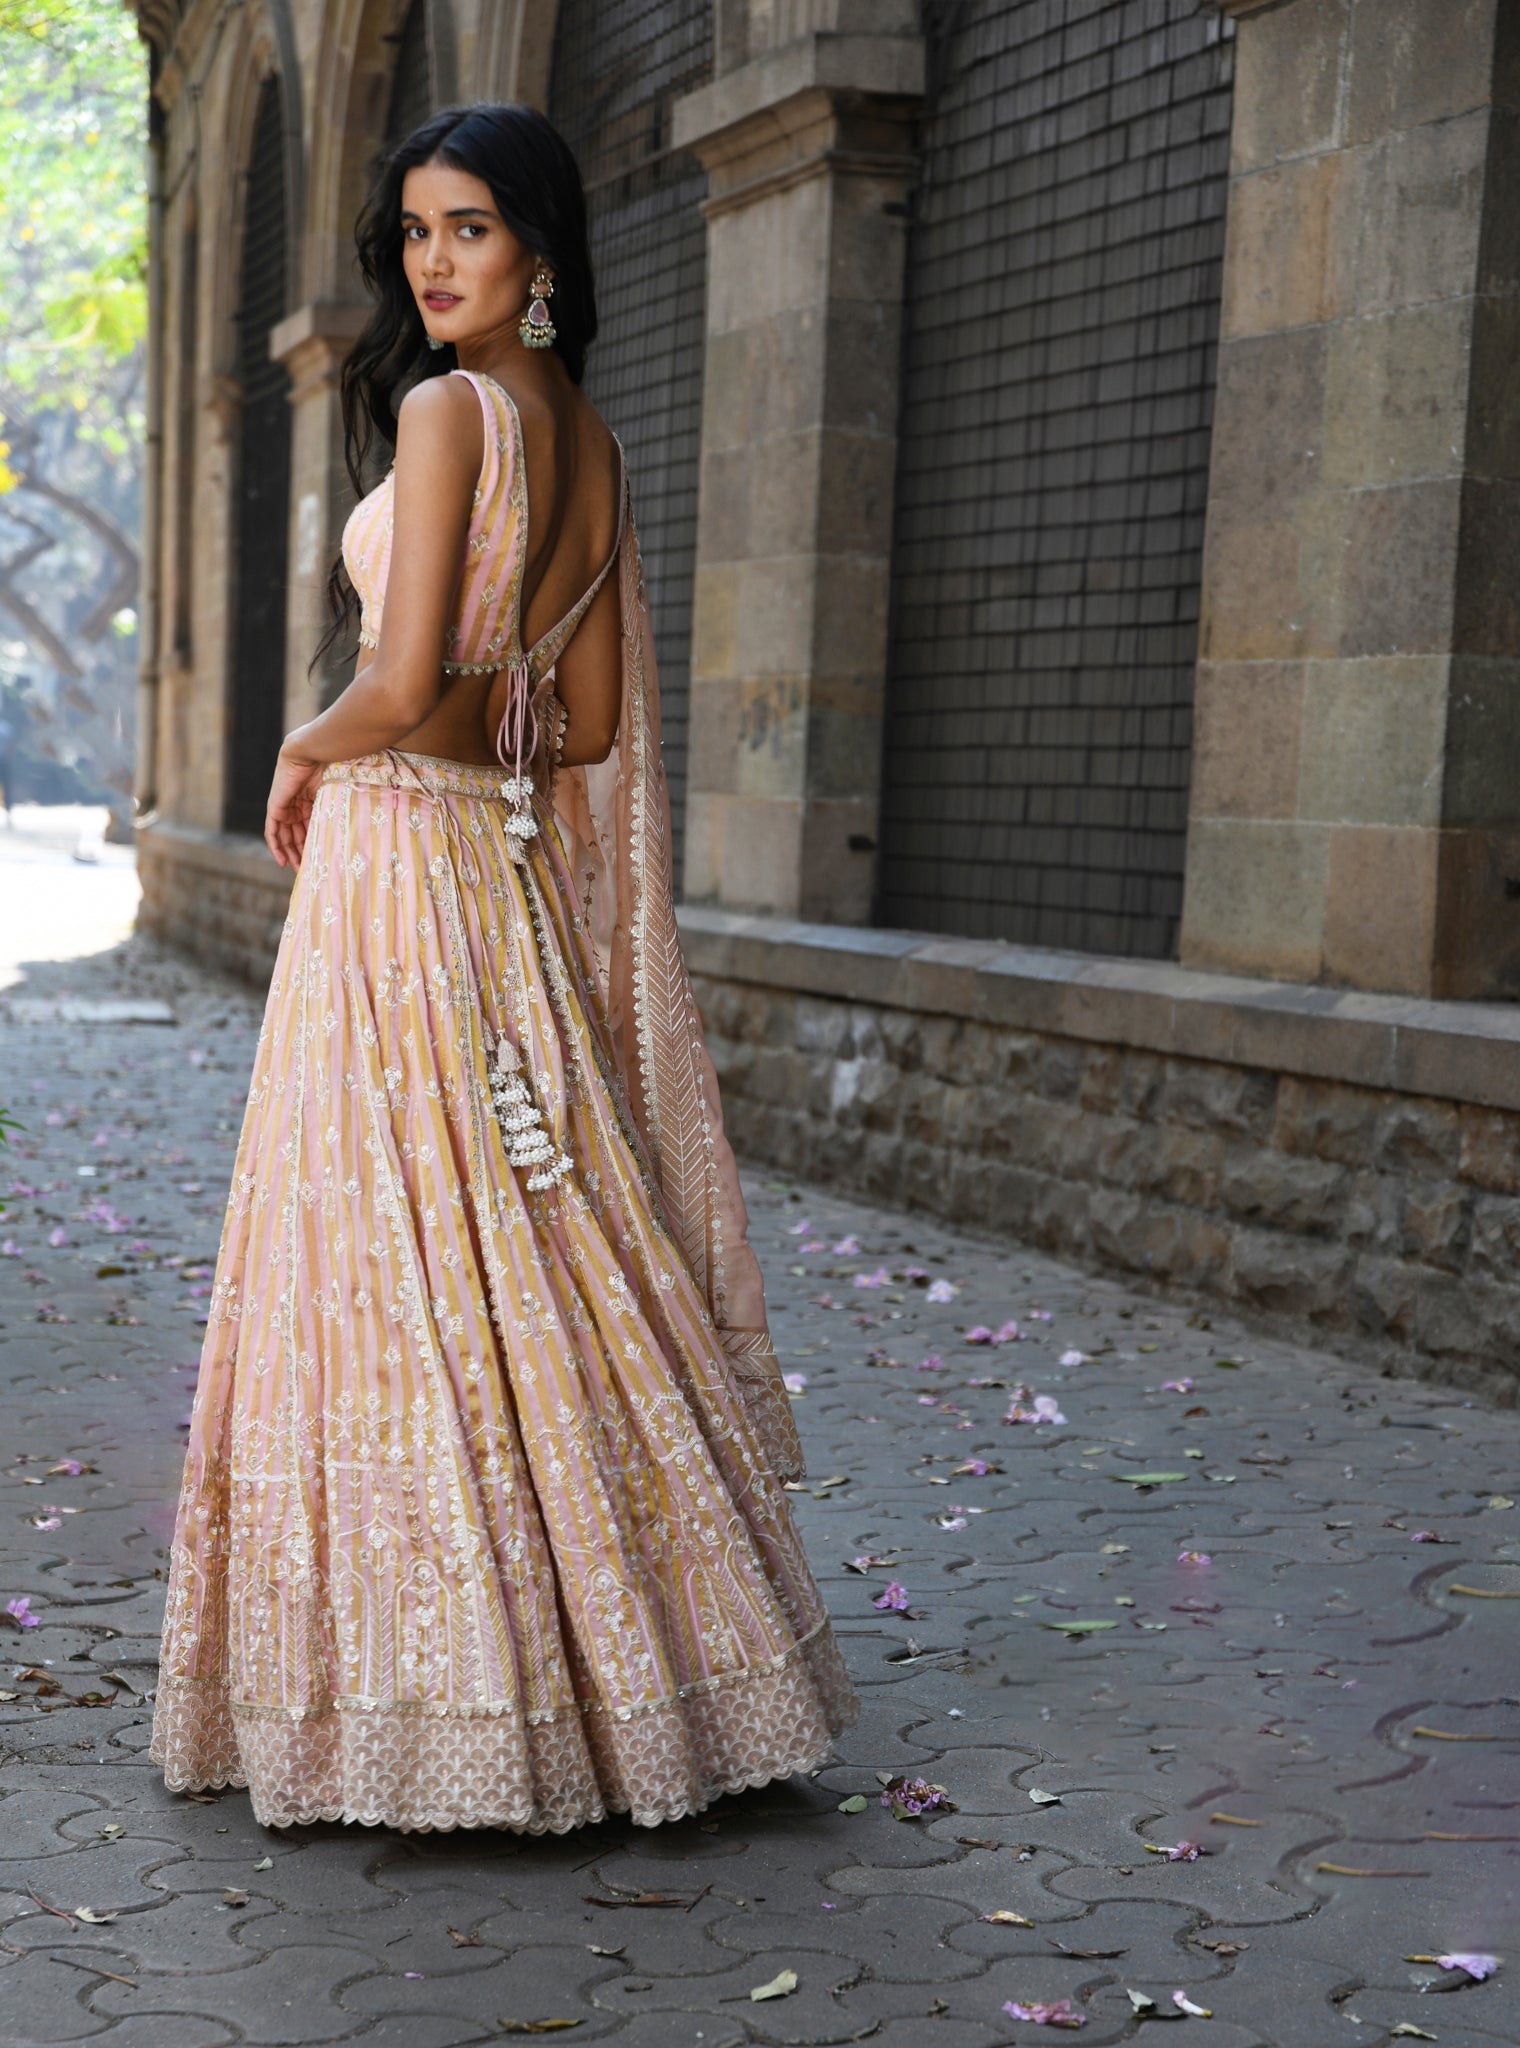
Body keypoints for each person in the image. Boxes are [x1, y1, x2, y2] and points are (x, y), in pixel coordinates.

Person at [150, 102, 856, 1833]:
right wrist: (452, 719)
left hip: (398, 871)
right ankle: (646, 1665)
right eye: (411, 234)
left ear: (539, 245)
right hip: (506, 882)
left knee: (390, 1250)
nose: (433, 263)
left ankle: (446, 1694)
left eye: (468, 228)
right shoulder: (592, 442)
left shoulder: (446, 411)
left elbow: (399, 688)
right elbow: (587, 720)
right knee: (526, 1237)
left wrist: (307, 747)